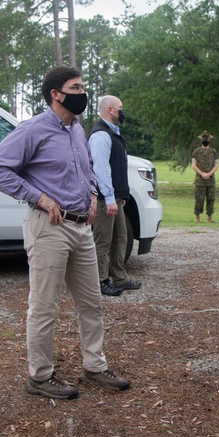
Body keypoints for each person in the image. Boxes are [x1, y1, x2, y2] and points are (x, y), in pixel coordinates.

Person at [0, 66, 130, 401]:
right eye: (75, 87)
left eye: (82, 87)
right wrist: (37, 196)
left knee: (92, 302)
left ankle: (95, 366)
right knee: (44, 306)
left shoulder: (77, 129)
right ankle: (40, 376)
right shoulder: (33, 129)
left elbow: (87, 168)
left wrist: (92, 193)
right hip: (49, 227)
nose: (82, 93)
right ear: (56, 94)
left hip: (81, 228)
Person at [88, 95, 141, 297]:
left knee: (121, 236)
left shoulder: (112, 133)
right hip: (103, 199)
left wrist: (121, 194)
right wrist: (109, 198)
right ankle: (100, 281)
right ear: (110, 109)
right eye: (120, 108)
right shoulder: (101, 135)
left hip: (114, 197)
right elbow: (101, 170)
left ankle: (120, 277)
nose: (122, 111)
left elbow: (117, 166)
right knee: (102, 239)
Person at [191, 131, 219, 222]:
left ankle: (210, 217)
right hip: (199, 180)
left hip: (210, 180)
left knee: (211, 198)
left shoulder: (214, 152)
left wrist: (209, 174)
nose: (205, 140)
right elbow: (194, 165)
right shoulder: (196, 152)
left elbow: (216, 165)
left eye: (207, 139)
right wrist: (202, 173)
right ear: (201, 140)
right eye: (204, 139)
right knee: (199, 199)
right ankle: (197, 217)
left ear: (209, 140)